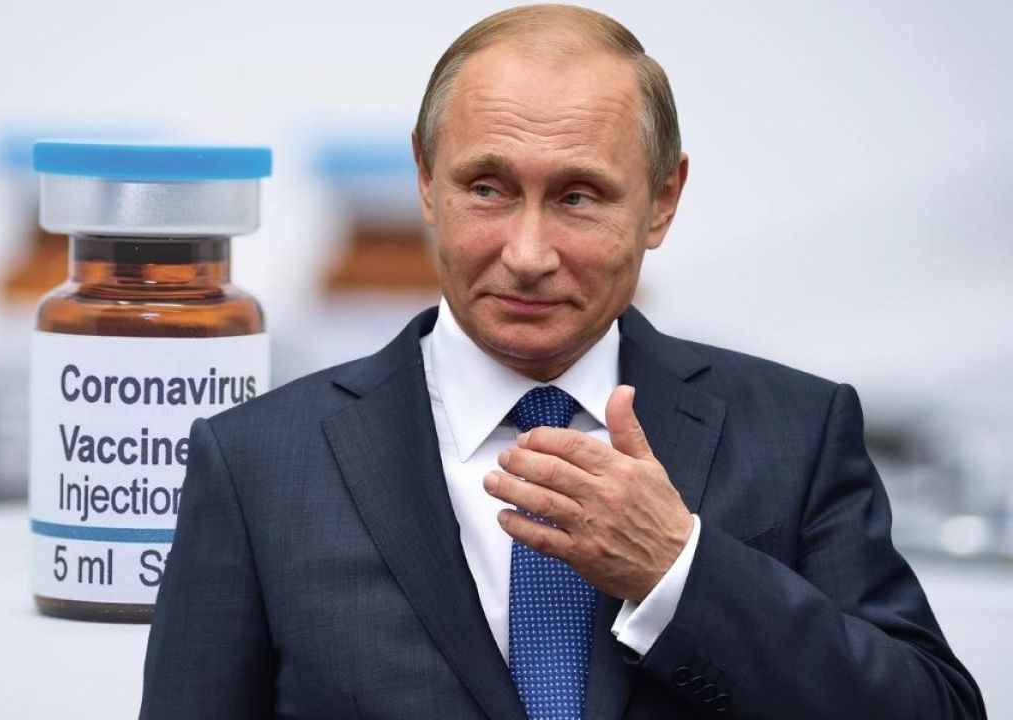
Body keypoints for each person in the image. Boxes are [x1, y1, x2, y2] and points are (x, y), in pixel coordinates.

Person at [140, 5, 985, 719]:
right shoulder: (256, 466)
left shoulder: (797, 432)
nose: (528, 254)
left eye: (578, 197)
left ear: (662, 201)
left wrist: (679, 571)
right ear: (426, 181)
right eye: (487, 188)